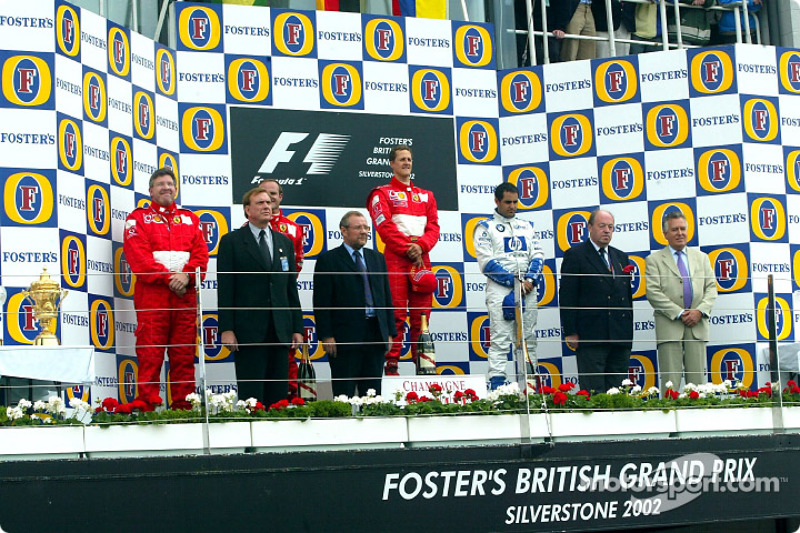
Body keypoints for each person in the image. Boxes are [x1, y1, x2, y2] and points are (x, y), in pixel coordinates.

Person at [123, 167, 209, 411]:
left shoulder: (190, 219)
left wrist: (187, 276)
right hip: (153, 295)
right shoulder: (137, 218)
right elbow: (138, 258)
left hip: (185, 296)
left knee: (183, 354)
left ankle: (184, 406)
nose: (166, 188)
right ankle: (148, 405)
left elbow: (201, 255)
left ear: (175, 188)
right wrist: (171, 279)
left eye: (170, 184)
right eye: (160, 184)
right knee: (150, 353)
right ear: (150, 190)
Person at [217, 188, 303, 406]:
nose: (267, 206)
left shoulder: (284, 242)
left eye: (269, 202)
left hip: (280, 329)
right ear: (248, 210)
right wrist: (226, 329)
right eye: (261, 203)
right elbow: (226, 288)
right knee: (252, 397)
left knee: (279, 396)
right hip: (248, 331)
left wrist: (297, 328)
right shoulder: (232, 242)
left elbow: (290, 289)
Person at [367, 145, 440, 376]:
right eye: (401, 159)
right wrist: (409, 248)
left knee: (422, 316)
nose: (406, 163)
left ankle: (423, 364)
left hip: (422, 258)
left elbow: (434, 227)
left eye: (409, 159)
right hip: (397, 258)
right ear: (392, 164)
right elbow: (384, 227)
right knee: (396, 315)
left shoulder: (426, 195)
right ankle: (391, 366)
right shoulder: (381, 193)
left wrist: (421, 246)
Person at [313, 211, 396, 397]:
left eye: (366, 227)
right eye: (358, 227)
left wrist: (389, 332)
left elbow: (386, 297)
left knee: (373, 394)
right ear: (344, 230)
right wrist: (326, 335)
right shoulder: (329, 260)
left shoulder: (377, 258)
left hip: (375, 334)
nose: (364, 231)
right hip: (345, 338)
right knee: (344, 393)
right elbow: (321, 302)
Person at [473, 183, 544, 390]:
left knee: (528, 338)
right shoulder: (485, 227)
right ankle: (498, 391)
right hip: (500, 289)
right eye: (508, 202)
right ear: (497, 201)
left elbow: (538, 255)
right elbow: (486, 263)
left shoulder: (527, 226)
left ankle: (529, 387)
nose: (512, 206)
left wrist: (529, 280)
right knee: (500, 340)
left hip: (527, 288)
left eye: (515, 202)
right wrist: (514, 283)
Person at [559, 209, 633, 394]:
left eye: (610, 227)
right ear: (590, 227)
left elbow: (626, 298)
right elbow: (567, 296)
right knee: (594, 392)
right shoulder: (575, 255)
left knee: (618, 392)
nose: (607, 230)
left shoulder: (621, 257)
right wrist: (571, 332)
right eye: (602, 226)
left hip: (619, 336)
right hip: (591, 335)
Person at [645, 211, 717, 393]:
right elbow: (653, 292)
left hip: (697, 326)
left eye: (683, 229)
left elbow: (711, 289)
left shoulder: (702, 258)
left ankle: (698, 419)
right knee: (670, 384)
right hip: (670, 326)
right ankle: (670, 419)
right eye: (675, 229)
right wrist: (680, 313)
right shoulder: (654, 260)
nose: (680, 233)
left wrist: (699, 311)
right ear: (665, 234)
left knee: (698, 385)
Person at [258, 179, 304, 399]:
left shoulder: (293, 229)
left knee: (288, 350)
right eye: (265, 194)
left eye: (274, 194)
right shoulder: (248, 229)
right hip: (260, 303)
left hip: (284, 298)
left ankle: (291, 394)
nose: (270, 198)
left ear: (281, 196)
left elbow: (298, 264)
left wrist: (280, 286)